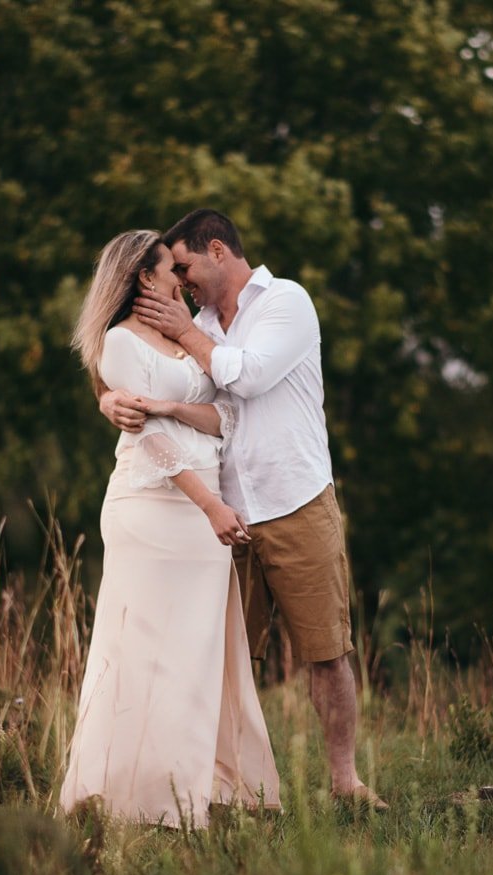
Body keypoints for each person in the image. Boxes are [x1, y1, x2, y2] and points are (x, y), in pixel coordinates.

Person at [107, 208, 386, 809]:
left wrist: (185, 332)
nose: (180, 282)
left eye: (184, 267)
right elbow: (143, 375)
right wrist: (111, 402)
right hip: (219, 515)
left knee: (326, 649)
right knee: (216, 657)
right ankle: (217, 789)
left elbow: (247, 377)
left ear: (217, 250)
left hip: (295, 501)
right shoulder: (197, 320)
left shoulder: (285, 302)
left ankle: (345, 781)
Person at [58, 229, 282, 828]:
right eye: (170, 271)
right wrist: (210, 504)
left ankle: (204, 788)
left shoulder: (194, 333)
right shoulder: (119, 345)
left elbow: (227, 415)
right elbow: (148, 437)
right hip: (155, 509)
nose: (181, 281)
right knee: (145, 648)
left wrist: (179, 408)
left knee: (198, 651)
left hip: (202, 511)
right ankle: (134, 794)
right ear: (143, 279)